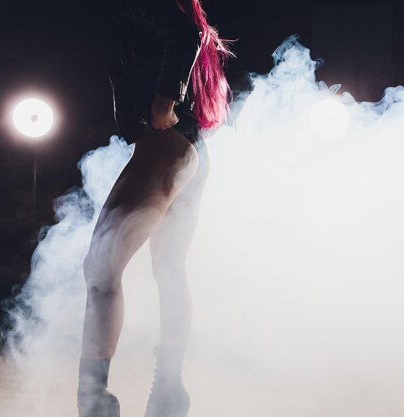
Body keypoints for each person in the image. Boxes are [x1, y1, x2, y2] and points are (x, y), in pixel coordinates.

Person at [77, 1, 231, 417]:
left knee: (99, 269)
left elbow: (184, 35)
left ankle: (95, 401)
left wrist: (166, 99)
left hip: (167, 146)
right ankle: (168, 392)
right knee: (168, 269)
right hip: (188, 151)